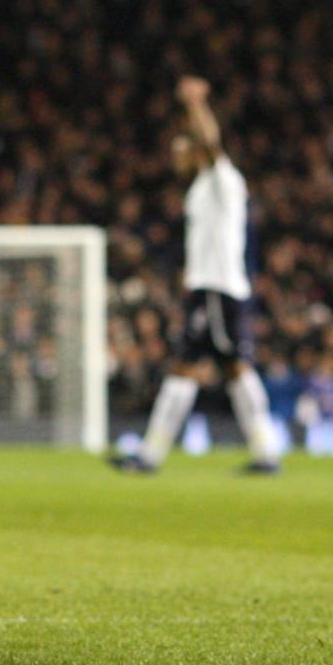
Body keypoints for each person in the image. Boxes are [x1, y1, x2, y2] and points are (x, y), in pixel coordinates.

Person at [112, 76, 279, 475]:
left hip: (218, 290)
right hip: (209, 289)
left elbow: (210, 141)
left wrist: (195, 103)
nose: (175, 157)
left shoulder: (222, 179)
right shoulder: (201, 187)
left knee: (210, 368)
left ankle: (154, 456)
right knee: (215, 369)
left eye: (180, 150)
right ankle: (262, 453)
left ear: (196, 151)